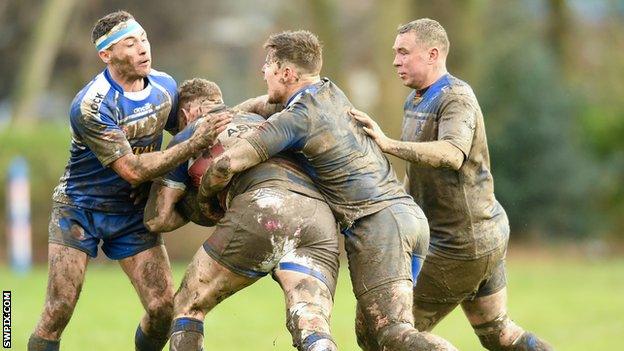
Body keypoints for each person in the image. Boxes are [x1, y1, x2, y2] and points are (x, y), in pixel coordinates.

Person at [198, 30, 457, 351]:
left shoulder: (298, 117)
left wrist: (205, 202)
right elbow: (267, 103)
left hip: (379, 226)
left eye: (268, 66)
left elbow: (226, 165)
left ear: (287, 73)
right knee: (372, 339)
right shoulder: (330, 93)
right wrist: (233, 113)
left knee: (393, 333)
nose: (262, 72)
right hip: (409, 219)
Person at [28, 11, 229, 351]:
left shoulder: (165, 87)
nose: (142, 49)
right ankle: (6, 338)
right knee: (58, 309)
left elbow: (189, 135)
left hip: (131, 214)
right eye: (130, 43)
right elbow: (133, 169)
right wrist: (192, 142)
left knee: (163, 308)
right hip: (80, 210)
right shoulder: (92, 105)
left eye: (144, 39)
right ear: (106, 55)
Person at [349, 18, 553, 351]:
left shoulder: (455, 98)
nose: (395, 61)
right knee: (498, 333)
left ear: (432, 54)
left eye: (404, 52)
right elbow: (418, 176)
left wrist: (388, 144)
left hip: (458, 244)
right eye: (395, 53)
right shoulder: (417, 98)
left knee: (384, 333)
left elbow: (451, 153)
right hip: (481, 235)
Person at [142, 78, 341, 351]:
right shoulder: (266, 122)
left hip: (265, 207)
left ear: (187, 113)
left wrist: (200, 206)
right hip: (319, 217)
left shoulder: (190, 133)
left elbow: (157, 219)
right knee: (310, 319)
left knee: (188, 305)